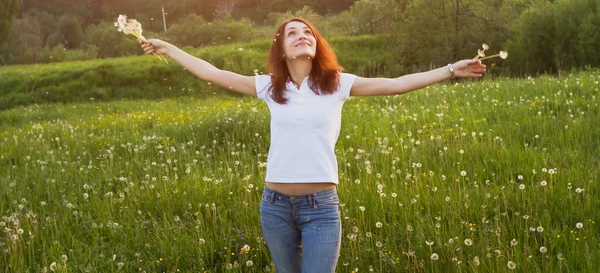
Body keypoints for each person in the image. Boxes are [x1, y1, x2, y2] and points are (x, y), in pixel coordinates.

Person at [140, 17, 486, 272]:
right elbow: (210, 72)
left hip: (320, 208)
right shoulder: (269, 87)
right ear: (282, 49)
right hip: (274, 207)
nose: (302, 36)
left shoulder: (337, 84)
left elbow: (397, 83)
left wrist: (450, 70)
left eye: (308, 32)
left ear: (316, 44)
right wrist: (169, 48)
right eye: (292, 33)